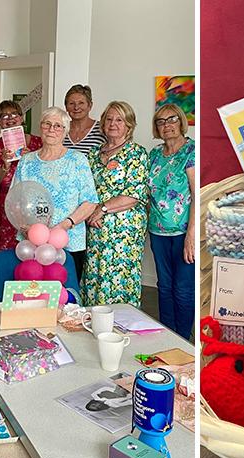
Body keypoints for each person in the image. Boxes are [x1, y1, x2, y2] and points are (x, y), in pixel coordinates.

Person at [11, 107, 98, 281]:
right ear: (40, 127)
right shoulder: (26, 161)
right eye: (47, 124)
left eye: (58, 126)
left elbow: (90, 202)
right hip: (31, 241)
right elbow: (14, 199)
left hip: (69, 240)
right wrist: (24, 226)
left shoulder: (77, 159)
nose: (52, 129)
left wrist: (65, 225)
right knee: (32, 290)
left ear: (65, 131)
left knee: (67, 291)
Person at [82, 101, 148, 306]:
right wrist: (90, 213)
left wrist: (102, 209)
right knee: (94, 273)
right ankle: (92, 322)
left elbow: (134, 193)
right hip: (95, 225)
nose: (113, 123)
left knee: (119, 279)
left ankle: (122, 326)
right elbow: (84, 188)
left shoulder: (137, 153)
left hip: (123, 230)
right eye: (109, 119)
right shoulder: (93, 153)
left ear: (129, 125)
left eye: (119, 119)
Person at [147, 104, 196, 339]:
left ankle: (184, 340)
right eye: (161, 121)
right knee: (164, 287)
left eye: (171, 119)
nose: (166, 125)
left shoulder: (191, 151)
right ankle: (167, 336)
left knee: (183, 290)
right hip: (157, 231)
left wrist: (191, 236)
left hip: (183, 232)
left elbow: (197, 196)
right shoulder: (154, 154)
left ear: (181, 122)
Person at [0, 100, 42, 252]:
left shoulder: (38, 143)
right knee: (6, 252)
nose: (10, 119)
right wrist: (5, 165)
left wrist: (31, 159)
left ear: (22, 118)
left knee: (32, 249)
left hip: (32, 207)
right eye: (4, 116)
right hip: (5, 209)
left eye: (14, 114)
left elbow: (46, 176)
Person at [62, 84, 106, 156]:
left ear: (90, 105)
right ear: (66, 107)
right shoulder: (60, 130)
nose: (76, 107)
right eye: (71, 103)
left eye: (81, 103)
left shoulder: (102, 129)